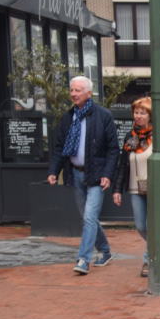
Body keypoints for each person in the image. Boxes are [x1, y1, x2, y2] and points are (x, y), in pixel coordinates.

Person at [111, 97, 160, 278]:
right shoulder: (130, 137)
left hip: (157, 188)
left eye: (142, 113)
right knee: (141, 225)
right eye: (136, 112)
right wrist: (116, 190)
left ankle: (148, 259)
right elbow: (122, 165)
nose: (138, 116)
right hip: (135, 188)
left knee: (151, 225)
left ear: (150, 115)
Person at [47, 75, 118, 275]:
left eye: (78, 90)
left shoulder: (103, 116)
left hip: (96, 175)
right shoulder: (68, 117)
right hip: (75, 174)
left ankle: (83, 259)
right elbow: (60, 147)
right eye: (71, 90)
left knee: (89, 217)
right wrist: (54, 171)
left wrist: (107, 174)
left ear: (88, 93)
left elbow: (113, 149)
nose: (73, 94)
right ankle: (104, 251)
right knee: (89, 218)